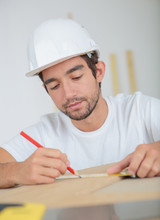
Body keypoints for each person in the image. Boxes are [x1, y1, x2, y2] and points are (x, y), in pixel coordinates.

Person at [0, 18, 160, 189]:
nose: (68, 94)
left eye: (76, 77)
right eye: (54, 86)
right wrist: (15, 171)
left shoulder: (141, 110)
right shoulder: (42, 135)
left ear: (98, 72)